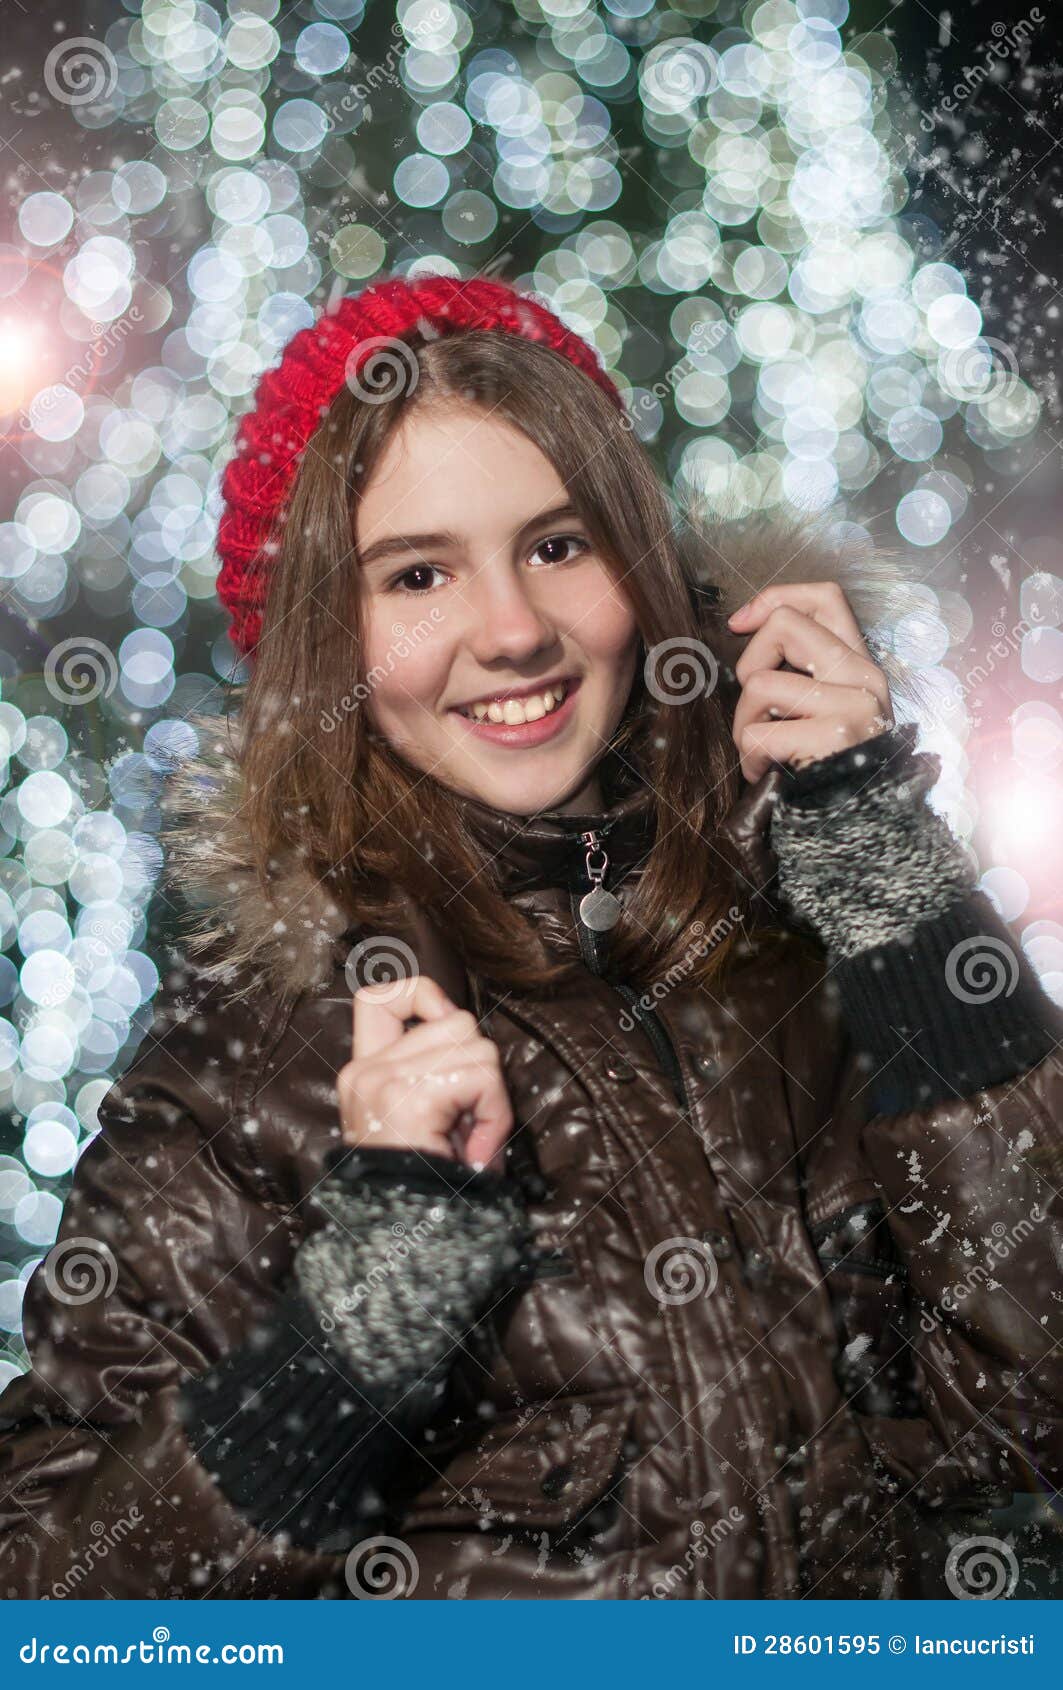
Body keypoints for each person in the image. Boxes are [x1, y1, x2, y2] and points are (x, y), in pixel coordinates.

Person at [1, 275, 1060, 1602]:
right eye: (421, 573)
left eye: (559, 545)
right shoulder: (251, 1056)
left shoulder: (811, 932)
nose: (512, 632)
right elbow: (55, 1612)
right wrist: (366, 1316)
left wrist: (892, 889)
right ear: (330, 634)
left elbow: (1033, 1415)